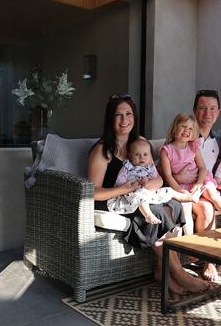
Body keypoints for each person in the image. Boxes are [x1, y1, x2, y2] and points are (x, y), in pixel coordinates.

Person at [88, 94, 211, 295]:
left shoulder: (141, 143)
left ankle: (162, 271)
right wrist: (123, 189)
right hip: (117, 200)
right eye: (118, 115)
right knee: (158, 212)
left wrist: (151, 184)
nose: (124, 120)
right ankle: (179, 273)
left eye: (128, 114)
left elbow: (158, 178)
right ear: (110, 118)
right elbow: (92, 192)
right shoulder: (103, 150)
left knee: (175, 205)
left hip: (142, 194)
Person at [174, 89, 221, 280]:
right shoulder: (185, 134)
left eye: (212, 109)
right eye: (203, 108)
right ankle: (207, 260)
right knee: (207, 208)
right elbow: (162, 164)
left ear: (218, 112)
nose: (208, 114)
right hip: (184, 190)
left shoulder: (218, 142)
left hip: (204, 188)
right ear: (194, 110)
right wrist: (177, 176)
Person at [159, 113, 221, 228]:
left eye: (191, 128)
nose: (187, 130)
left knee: (211, 194)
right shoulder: (166, 150)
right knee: (194, 202)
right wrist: (181, 191)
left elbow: (202, 168)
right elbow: (168, 175)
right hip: (182, 186)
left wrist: (198, 184)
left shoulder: (193, 146)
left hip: (200, 180)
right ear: (174, 129)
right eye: (183, 126)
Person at [107, 138, 193, 227]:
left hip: (149, 191)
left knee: (169, 190)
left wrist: (148, 181)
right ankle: (148, 215)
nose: (141, 158)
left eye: (145, 154)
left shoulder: (150, 167)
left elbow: (155, 179)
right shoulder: (127, 167)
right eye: (137, 154)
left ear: (150, 156)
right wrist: (133, 184)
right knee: (141, 196)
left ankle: (187, 197)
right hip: (133, 193)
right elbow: (119, 182)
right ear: (130, 156)